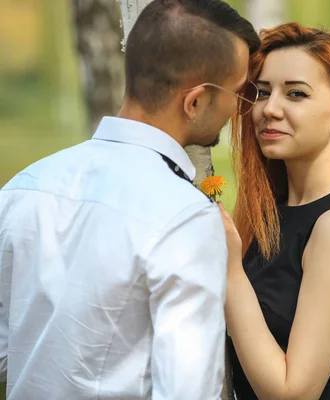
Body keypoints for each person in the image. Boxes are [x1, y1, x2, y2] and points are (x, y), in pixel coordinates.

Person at [0, 1, 259, 399]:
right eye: (241, 92)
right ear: (195, 102)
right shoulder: (185, 218)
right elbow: (188, 391)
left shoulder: (24, 187)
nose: (241, 107)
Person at [219, 22, 330, 400]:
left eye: (296, 94)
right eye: (263, 93)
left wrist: (230, 271)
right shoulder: (274, 208)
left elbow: (293, 393)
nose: (270, 109)